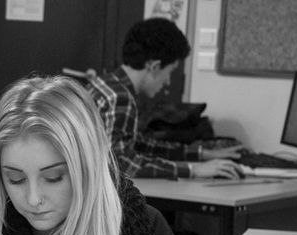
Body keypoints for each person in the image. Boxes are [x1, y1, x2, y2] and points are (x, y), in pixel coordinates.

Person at [0, 75, 177, 235]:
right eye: (15, 179)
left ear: (87, 167)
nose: (33, 199)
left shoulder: (144, 229)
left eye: (53, 178)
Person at [85, 17, 242, 180]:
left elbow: (137, 144)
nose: (167, 81)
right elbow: (121, 164)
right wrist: (192, 170)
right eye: (170, 72)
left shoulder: (104, 84)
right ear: (154, 66)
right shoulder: (120, 97)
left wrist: (201, 154)